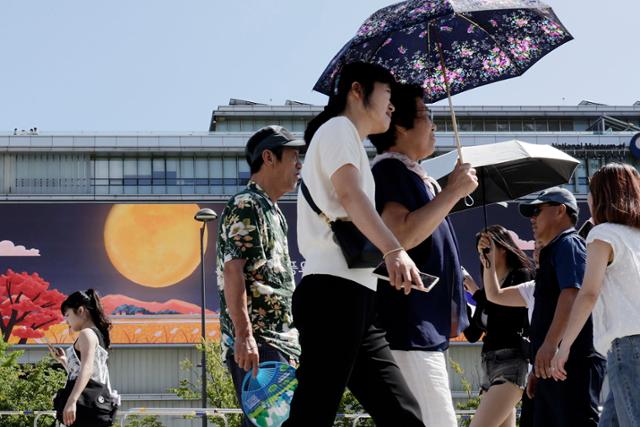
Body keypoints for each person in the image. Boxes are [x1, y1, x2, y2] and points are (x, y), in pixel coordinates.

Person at [284, 63, 426, 427]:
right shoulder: (338, 129)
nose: (392, 106)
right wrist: (394, 250)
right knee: (312, 414)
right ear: (357, 91)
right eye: (388, 95)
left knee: (403, 414)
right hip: (334, 295)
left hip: (356, 296)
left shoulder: (349, 141)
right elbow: (349, 196)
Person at [367, 83, 477, 426]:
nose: (434, 125)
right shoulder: (390, 170)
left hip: (420, 326)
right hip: (408, 324)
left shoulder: (412, 173)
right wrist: (453, 192)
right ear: (399, 125)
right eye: (427, 115)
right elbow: (398, 236)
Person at [482, 187, 605, 426]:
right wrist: (538, 369)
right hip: (550, 365)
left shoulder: (569, 243)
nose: (532, 218)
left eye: (537, 210)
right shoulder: (556, 250)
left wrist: (550, 346)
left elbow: (572, 294)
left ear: (560, 211)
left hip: (570, 363)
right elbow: (495, 295)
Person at [216, 125, 304, 426]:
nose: (299, 164)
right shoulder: (246, 204)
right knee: (270, 423)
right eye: (294, 156)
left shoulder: (274, 210)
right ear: (269, 157)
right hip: (260, 343)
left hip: (281, 342)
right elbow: (233, 270)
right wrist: (244, 336)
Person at [551, 163, 640, 426]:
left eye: (590, 191)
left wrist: (564, 346)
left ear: (601, 196)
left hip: (628, 347)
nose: (587, 198)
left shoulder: (602, 235)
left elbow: (588, 293)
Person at [463, 225, 534, 427]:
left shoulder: (521, 276)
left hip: (512, 362)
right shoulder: (488, 288)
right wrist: (461, 304)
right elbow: (472, 334)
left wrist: (477, 293)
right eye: (480, 251)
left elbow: (505, 316)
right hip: (489, 365)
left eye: (487, 249)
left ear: (503, 248)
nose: (483, 255)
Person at [48, 289, 116, 427]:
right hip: (96, 405)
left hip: (85, 408)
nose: (66, 321)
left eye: (67, 315)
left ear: (80, 310)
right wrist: (64, 361)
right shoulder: (97, 335)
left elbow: (87, 369)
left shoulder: (86, 334)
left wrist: (72, 400)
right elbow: (91, 374)